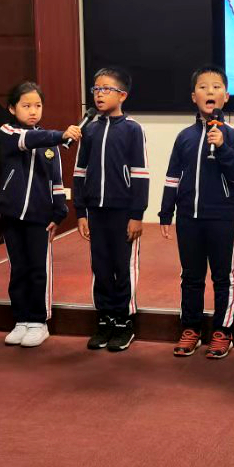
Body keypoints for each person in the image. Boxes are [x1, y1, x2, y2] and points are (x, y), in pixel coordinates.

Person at [159, 66, 234, 359]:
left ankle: (223, 331)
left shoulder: (233, 136)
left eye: (216, 87)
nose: (210, 91)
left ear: (226, 96)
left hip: (222, 217)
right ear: (193, 96)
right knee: (191, 276)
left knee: (224, 277)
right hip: (188, 218)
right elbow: (172, 176)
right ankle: (191, 328)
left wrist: (221, 147)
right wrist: (166, 212)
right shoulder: (184, 136)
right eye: (203, 87)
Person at [0, 81, 82, 348]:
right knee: (18, 269)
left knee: (37, 269)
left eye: (38, 105)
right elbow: (26, 140)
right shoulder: (8, 132)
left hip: (40, 218)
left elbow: (56, 181)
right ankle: (21, 319)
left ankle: (38, 322)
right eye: (26, 106)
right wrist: (61, 135)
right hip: (11, 215)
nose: (33, 111)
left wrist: (59, 213)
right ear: (12, 108)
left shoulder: (50, 142)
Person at [73, 67, 149, 353]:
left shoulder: (132, 129)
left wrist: (137, 214)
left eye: (106, 89)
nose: (99, 94)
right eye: (96, 89)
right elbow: (80, 172)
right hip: (96, 211)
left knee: (123, 267)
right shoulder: (88, 129)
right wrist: (81, 212)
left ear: (122, 95)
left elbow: (140, 173)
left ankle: (124, 322)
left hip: (123, 212)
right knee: (101, 266)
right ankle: (105, 318)